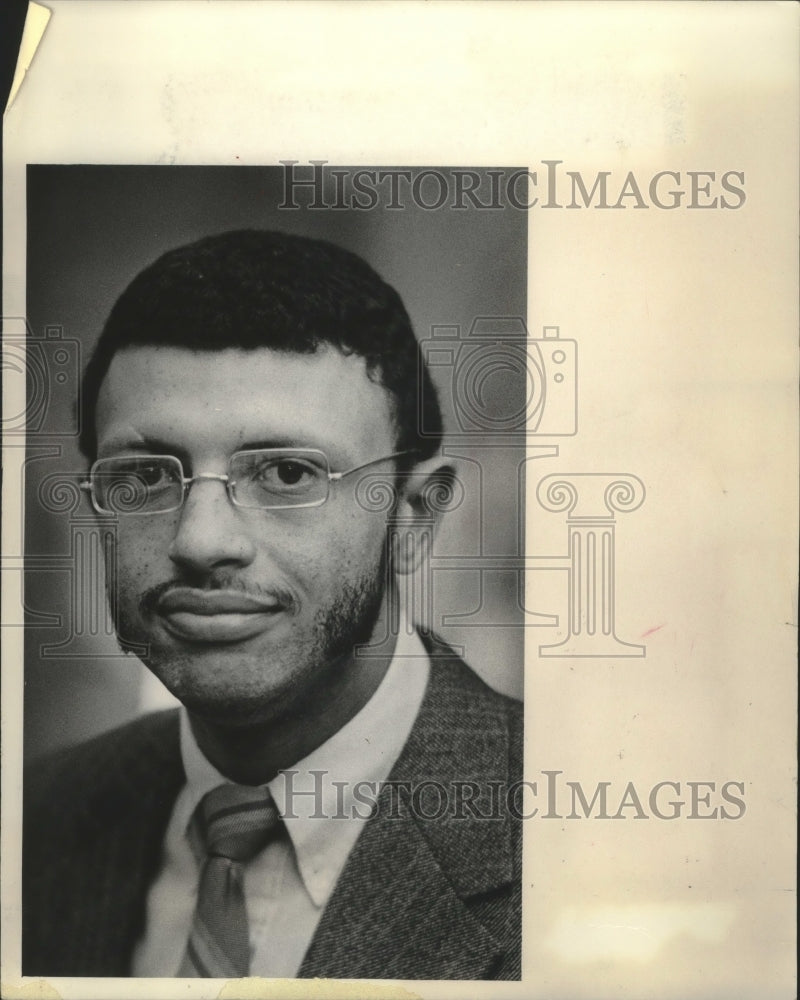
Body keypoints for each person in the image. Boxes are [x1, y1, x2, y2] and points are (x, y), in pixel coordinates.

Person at [22, 230, 522, 980]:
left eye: (287, 472)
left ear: (413, 517)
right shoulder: (36, 819)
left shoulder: (571, 844)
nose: (201, 539)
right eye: (146, 477)